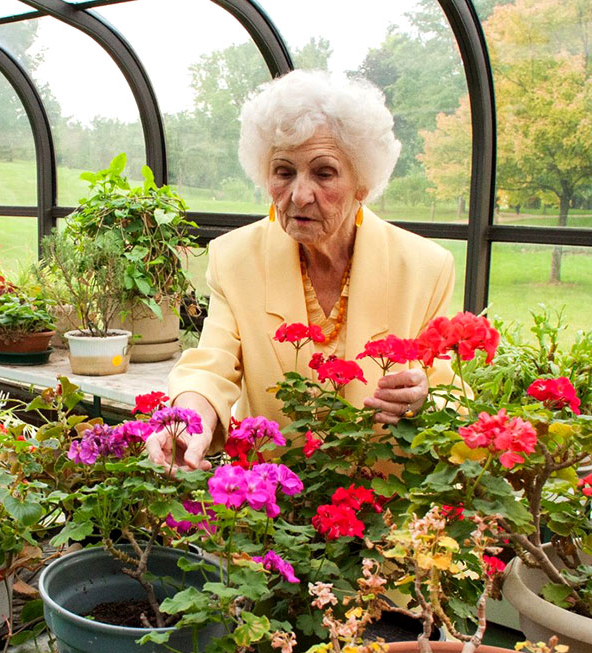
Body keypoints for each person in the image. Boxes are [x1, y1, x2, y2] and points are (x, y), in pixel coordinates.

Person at [150, 70, 458, 470]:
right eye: (283, 171)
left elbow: (446, 385)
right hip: (275, 509)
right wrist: (188, 420)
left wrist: (423, 395)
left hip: (386, 504)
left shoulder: (425, 268)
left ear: (362, 181)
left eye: (324, 173)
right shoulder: (235, 258)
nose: (299, 194)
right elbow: (212, 365)